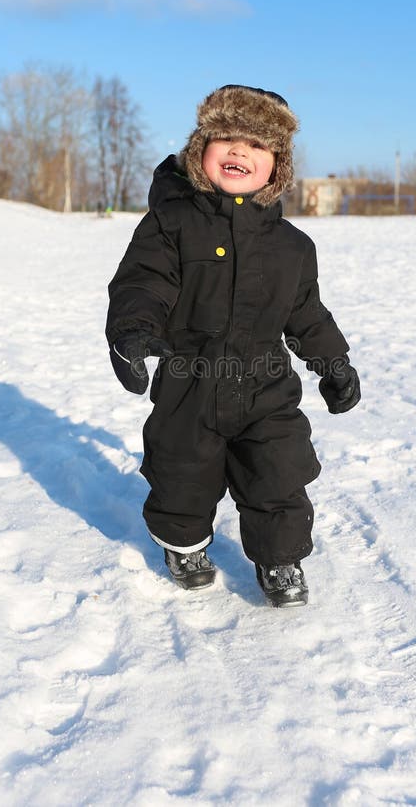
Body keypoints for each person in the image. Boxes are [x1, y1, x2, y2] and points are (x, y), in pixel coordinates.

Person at [105, 85, 360, 607]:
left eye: (258, 144)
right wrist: (132, 334)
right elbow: (143, 283)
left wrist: (334, 363)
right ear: (200, 149)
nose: (240, 150)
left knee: (278, 473)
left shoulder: (292, 246)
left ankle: (279, 557)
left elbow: (306, 313)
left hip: (267, 387)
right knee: (183, 474)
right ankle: (185, 545)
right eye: (226, 138)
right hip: (188, 383)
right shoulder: (171, 224)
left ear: (277, 168)